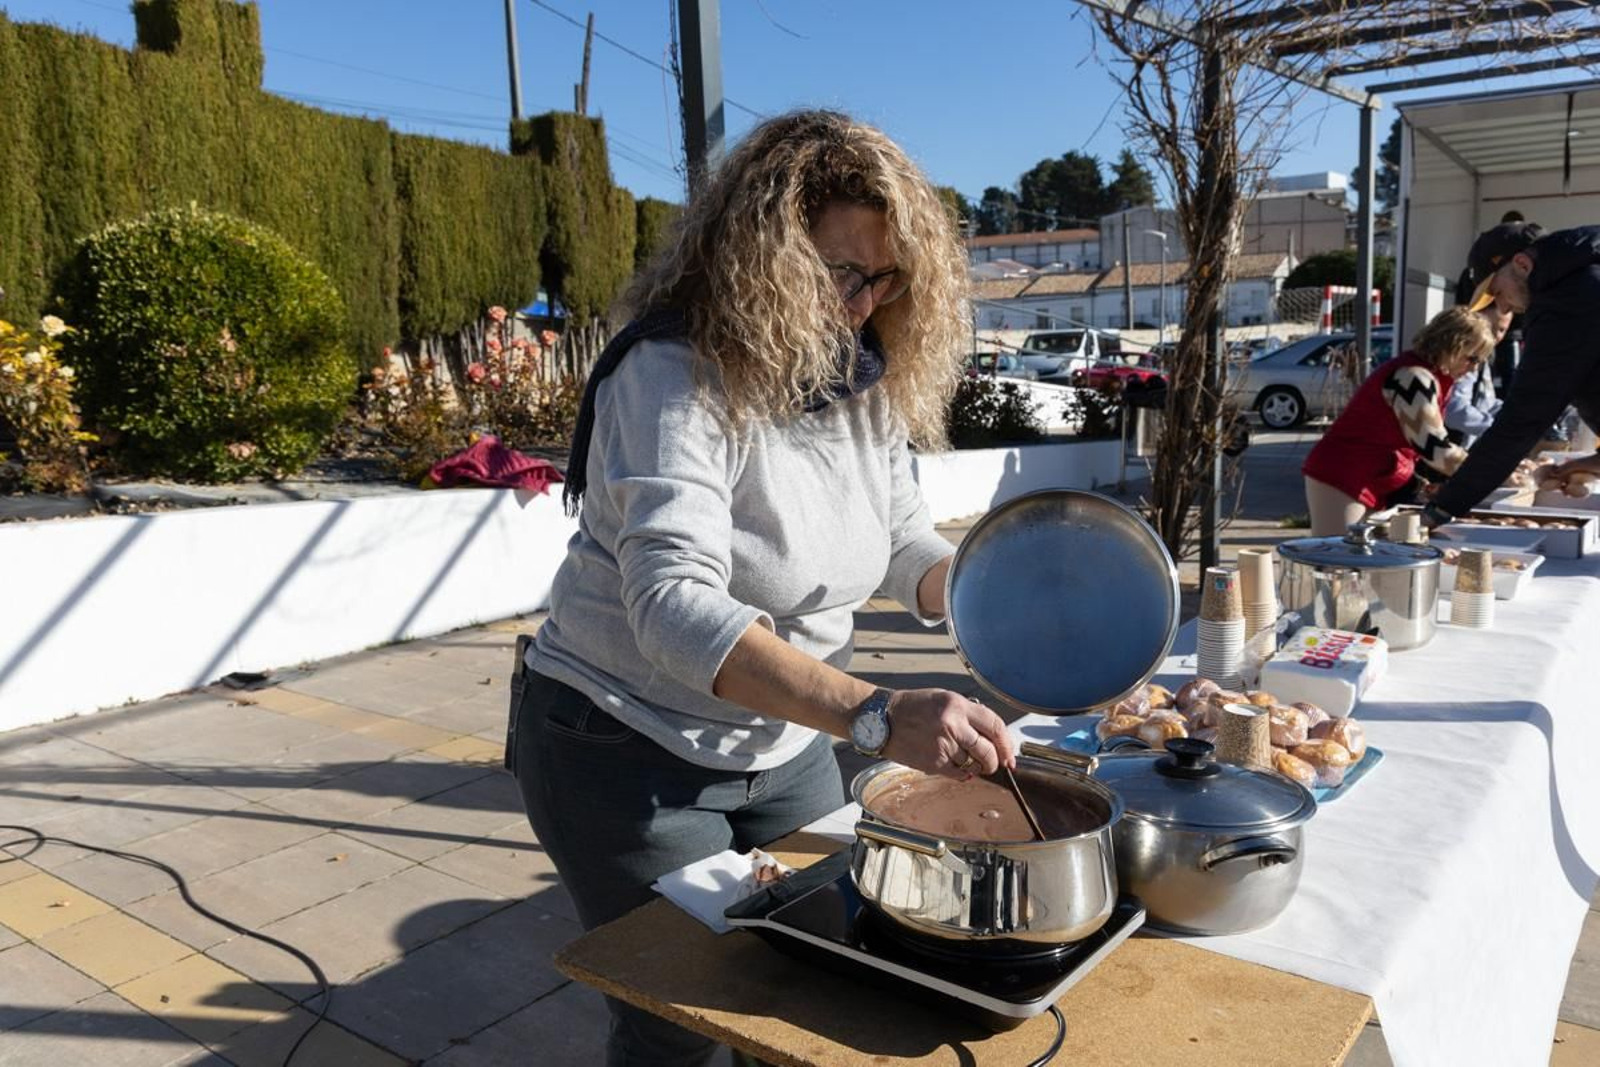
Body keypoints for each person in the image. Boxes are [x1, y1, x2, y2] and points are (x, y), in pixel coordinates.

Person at [509, 110, 1016, 1066]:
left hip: (788, 743)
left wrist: (998, 601)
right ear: (760, 257)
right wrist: (877, 713)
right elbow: (673, 604)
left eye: (885, 279)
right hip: (622, 747)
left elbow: (905, 536)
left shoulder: (862, 379)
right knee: (683, 1016)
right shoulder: (671, 373)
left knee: (815, 978)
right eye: (841, 275)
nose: (864, 305)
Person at [1421, 224, 1600, 526]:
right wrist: (1590, 463)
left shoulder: (1568, 302)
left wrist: (1441, 509)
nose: (1503, 305)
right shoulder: (1585, 279)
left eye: (1497, 291)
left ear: (1522, 264)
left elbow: (1521, 421)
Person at [1301, 307, 1496, 536]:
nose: (1474, 367)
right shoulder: (1413, 378)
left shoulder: (1426, 375)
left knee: (1354, 560)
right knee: (1336, 560)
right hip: (1344, 474)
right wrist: (1493, 472)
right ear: (1451, 345)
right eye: (1472, 358)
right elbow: (1435, 448)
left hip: (1368, 474)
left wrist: (1417, 485)